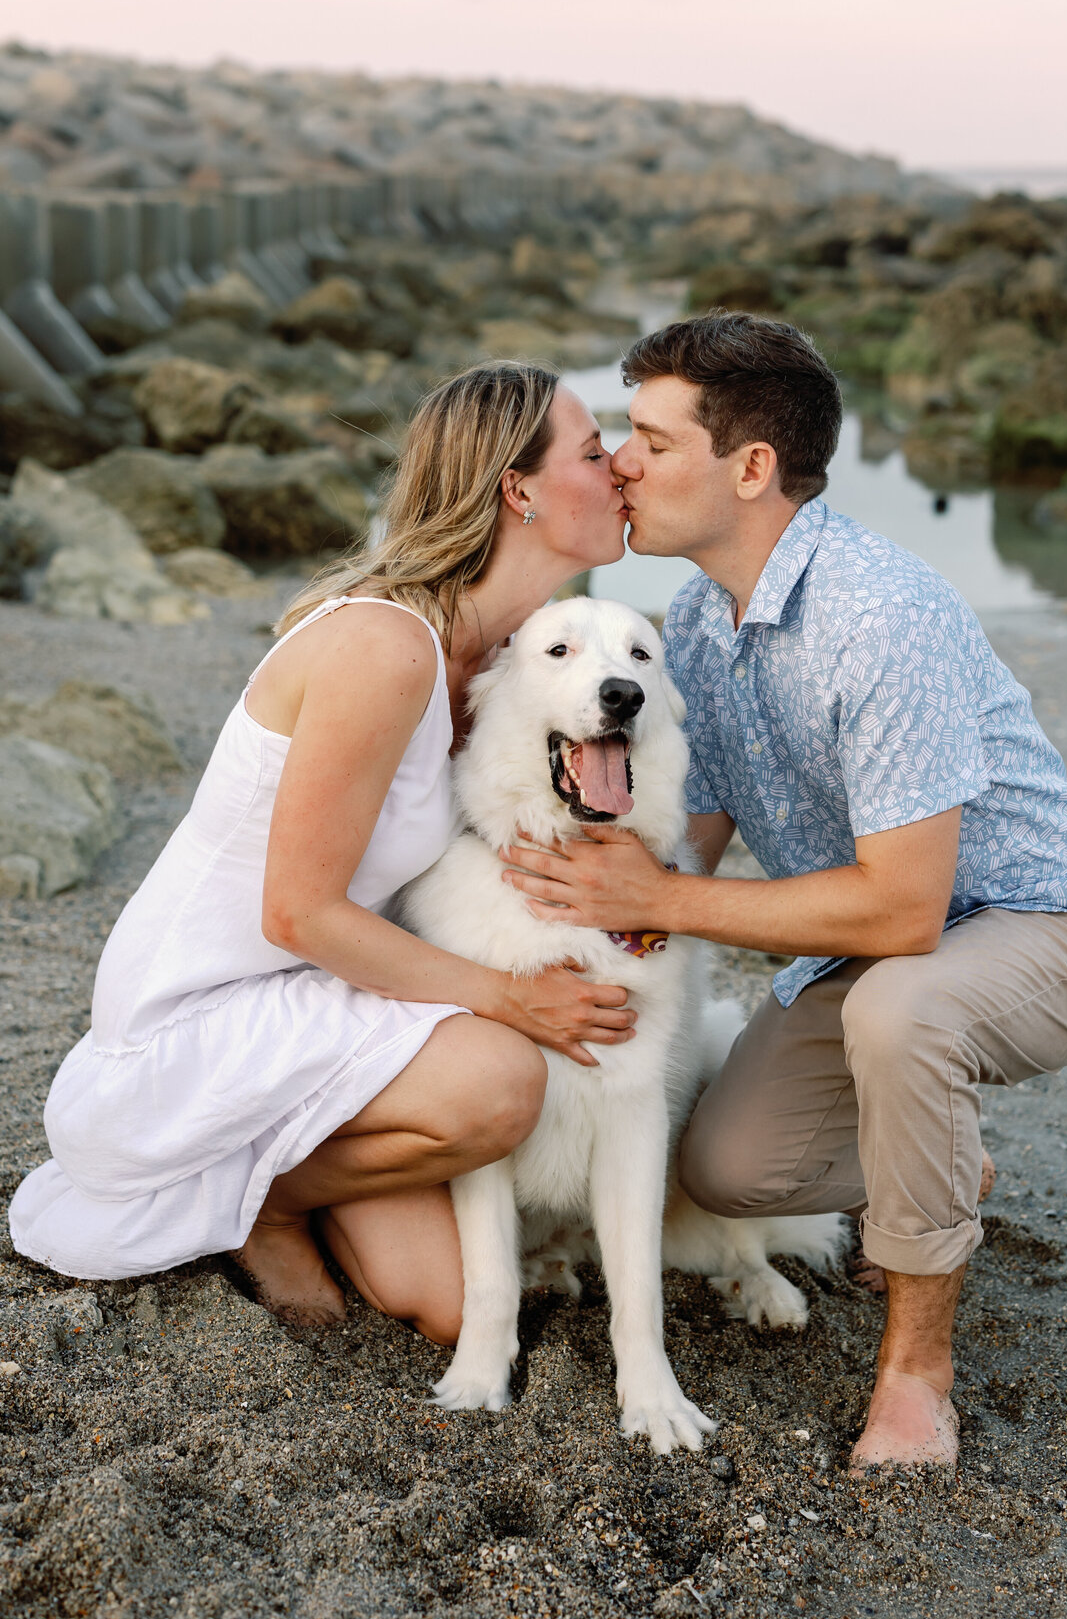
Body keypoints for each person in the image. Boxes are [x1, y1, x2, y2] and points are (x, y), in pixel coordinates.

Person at [498, 312, 1067, 1471]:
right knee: (726, 1172)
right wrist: (581, 921)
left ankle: (915, 1381)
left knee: (905, 1014)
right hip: (870, 953)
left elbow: (903, 914)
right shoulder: (695, 618)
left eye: (650, 438)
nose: (621, 464)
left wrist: (665, 899)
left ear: (751, 469)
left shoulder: (881, 616)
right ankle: (936, 1151)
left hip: (1045, 924)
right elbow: (677, 850)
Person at [9, 363, 638, 1342]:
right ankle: (264, 1202)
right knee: (503, 1081)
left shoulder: (510, 654)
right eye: (597, 454)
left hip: (324, 1010)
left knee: (454, 1306)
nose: (623, 470)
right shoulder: (384, 646)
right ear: (518, 490)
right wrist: (515, 1003)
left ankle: (278, 1187)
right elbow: (297, 914)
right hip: (195, 1027)